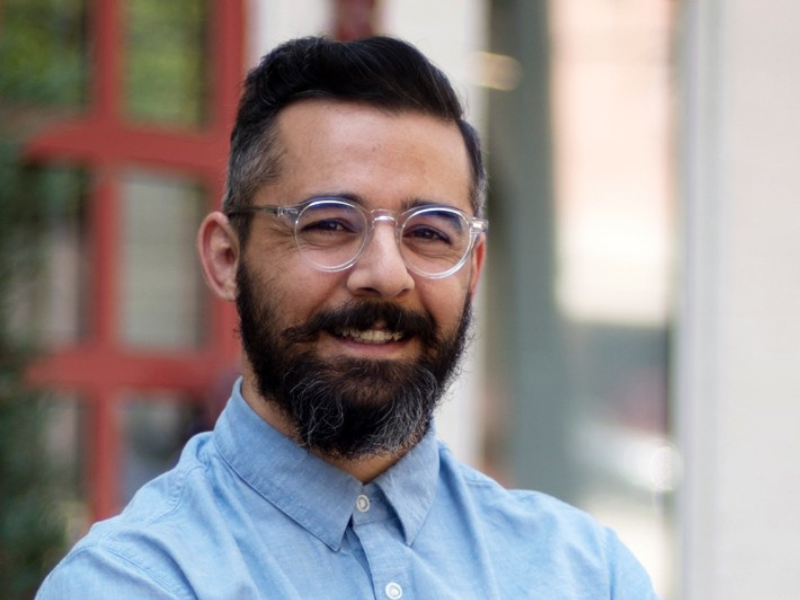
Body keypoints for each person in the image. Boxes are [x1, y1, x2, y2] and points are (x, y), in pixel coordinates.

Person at [37, 36, 658, 599]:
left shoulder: (584, 574)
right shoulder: (135, 583)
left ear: (473, 267)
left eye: (431, 233)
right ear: (227, 258)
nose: (386, 274)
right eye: (330, 223)